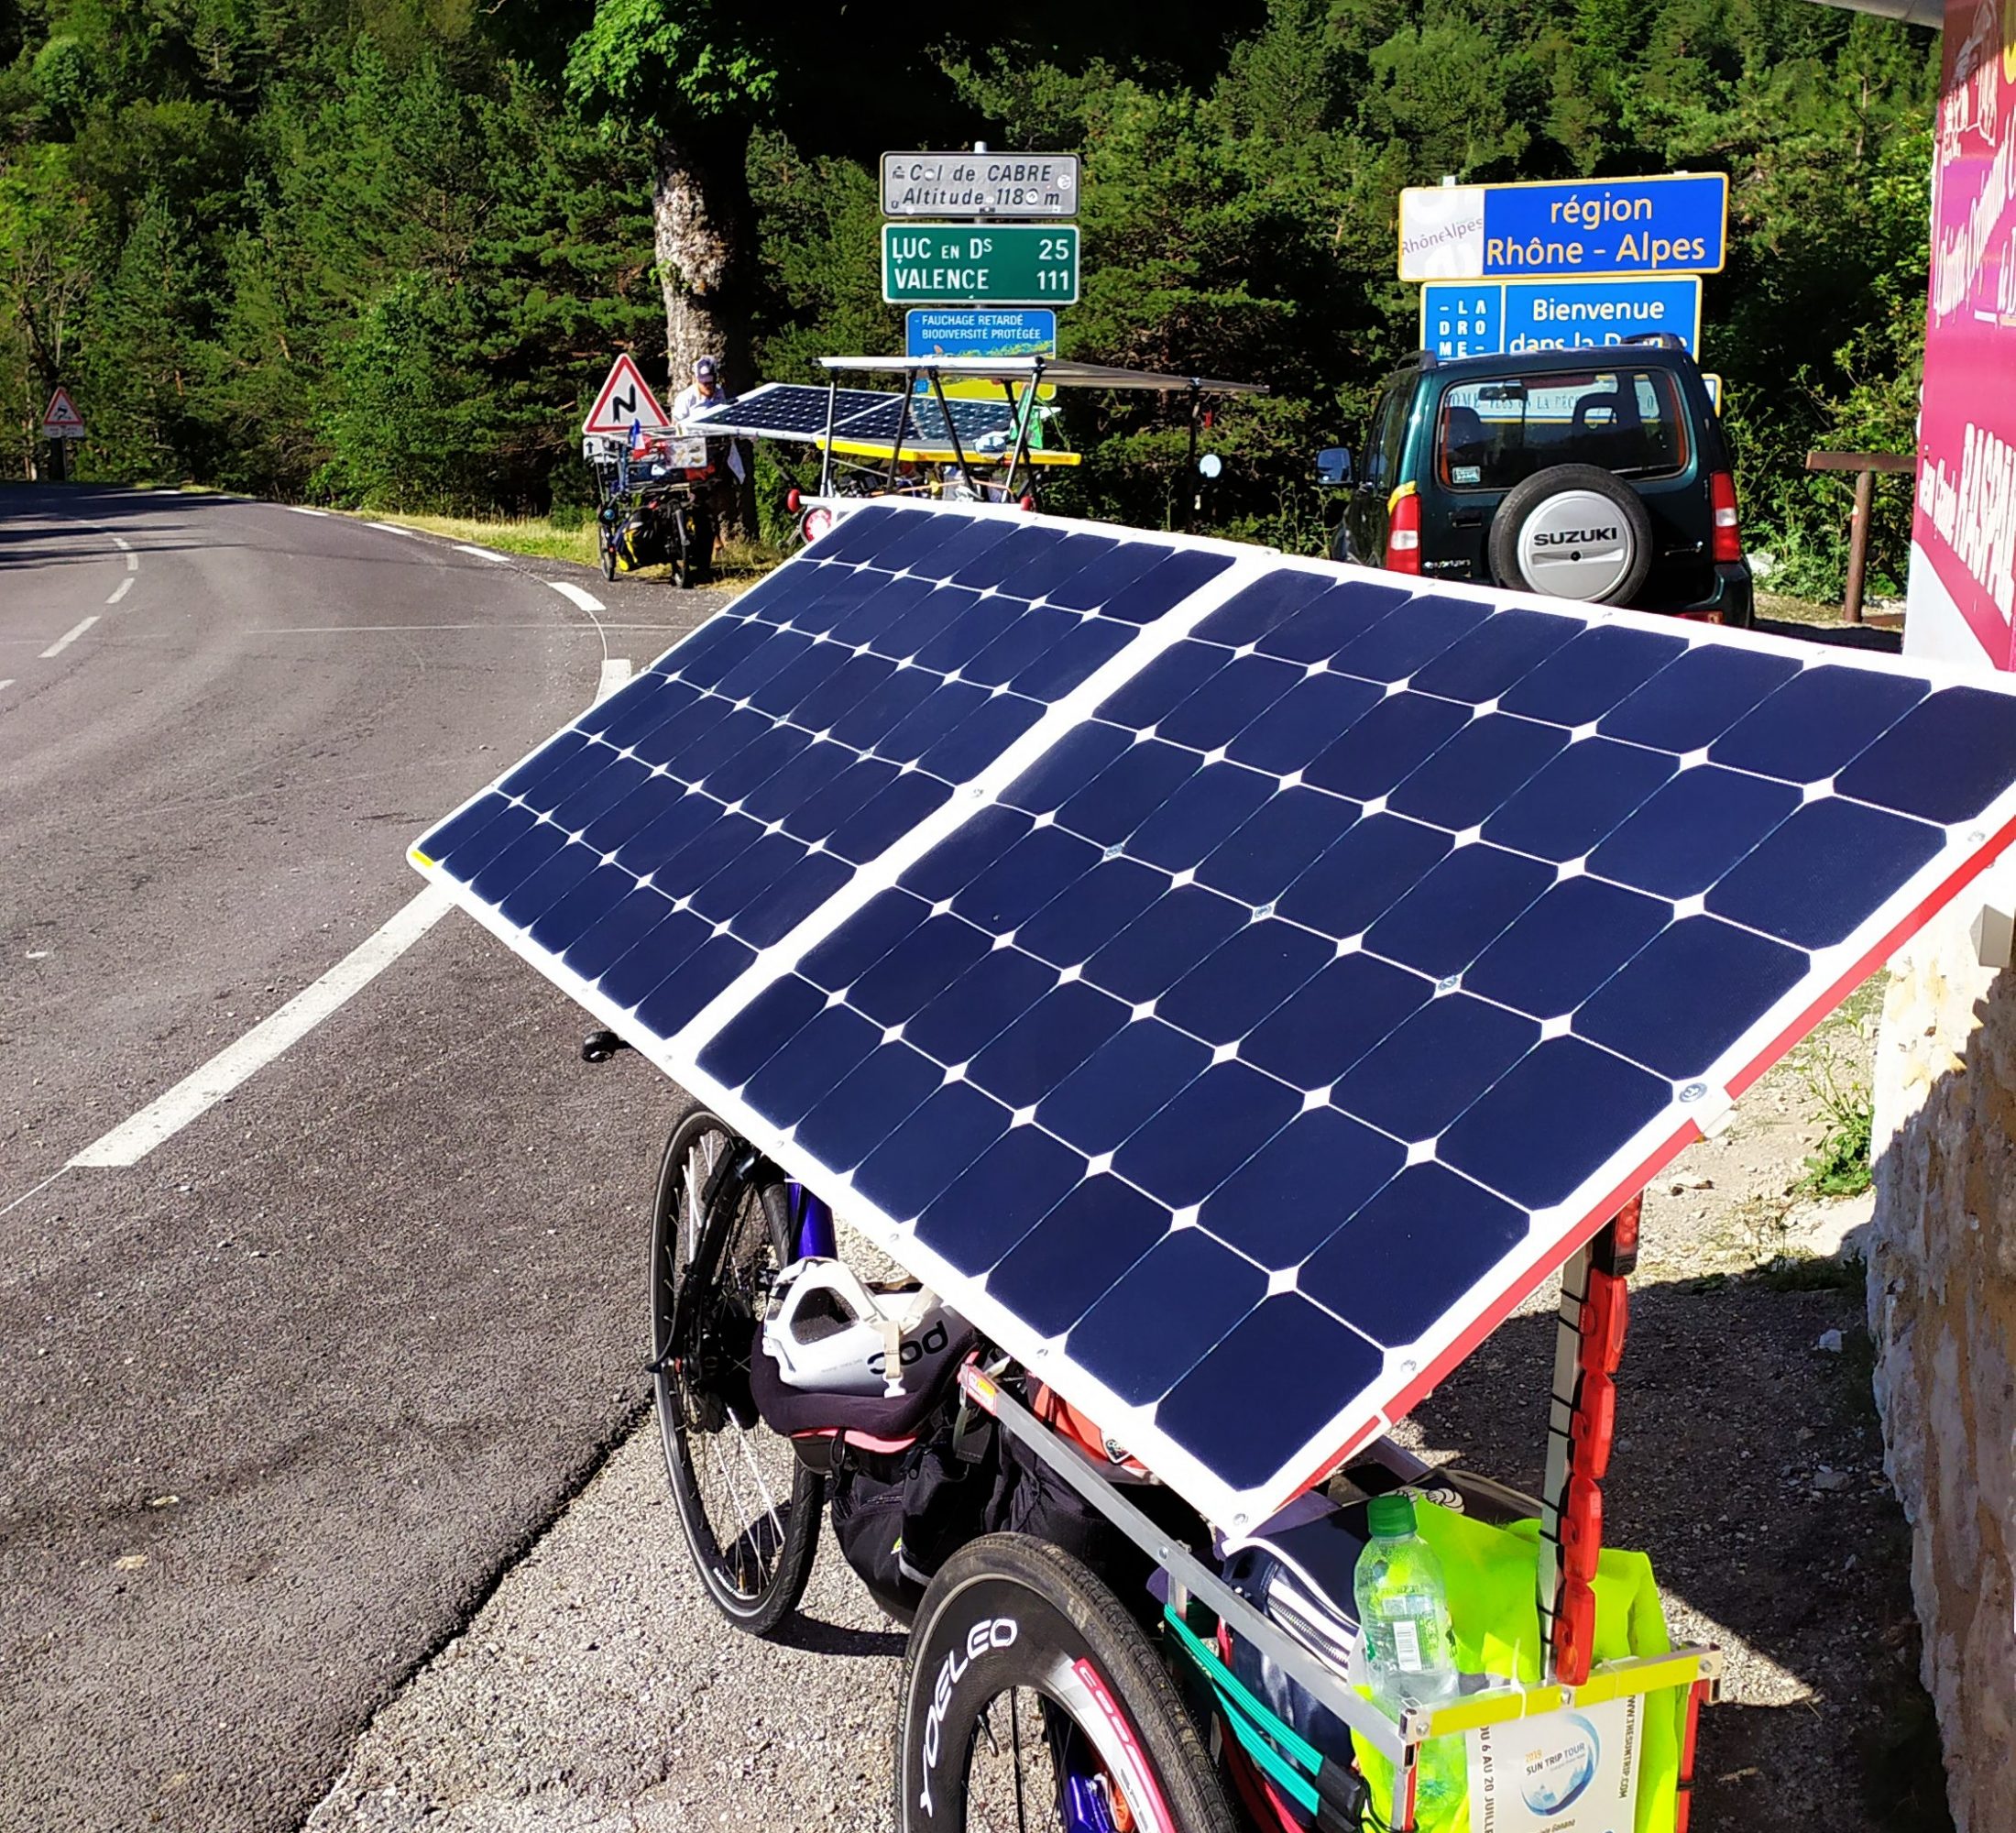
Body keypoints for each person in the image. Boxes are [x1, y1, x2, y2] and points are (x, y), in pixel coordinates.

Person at [672, 354, 729, 427]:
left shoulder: (719, 392)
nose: (707, 385)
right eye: (703, 382)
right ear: (696, 380)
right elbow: (676, 427)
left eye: (710, 381)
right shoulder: (685, 398)